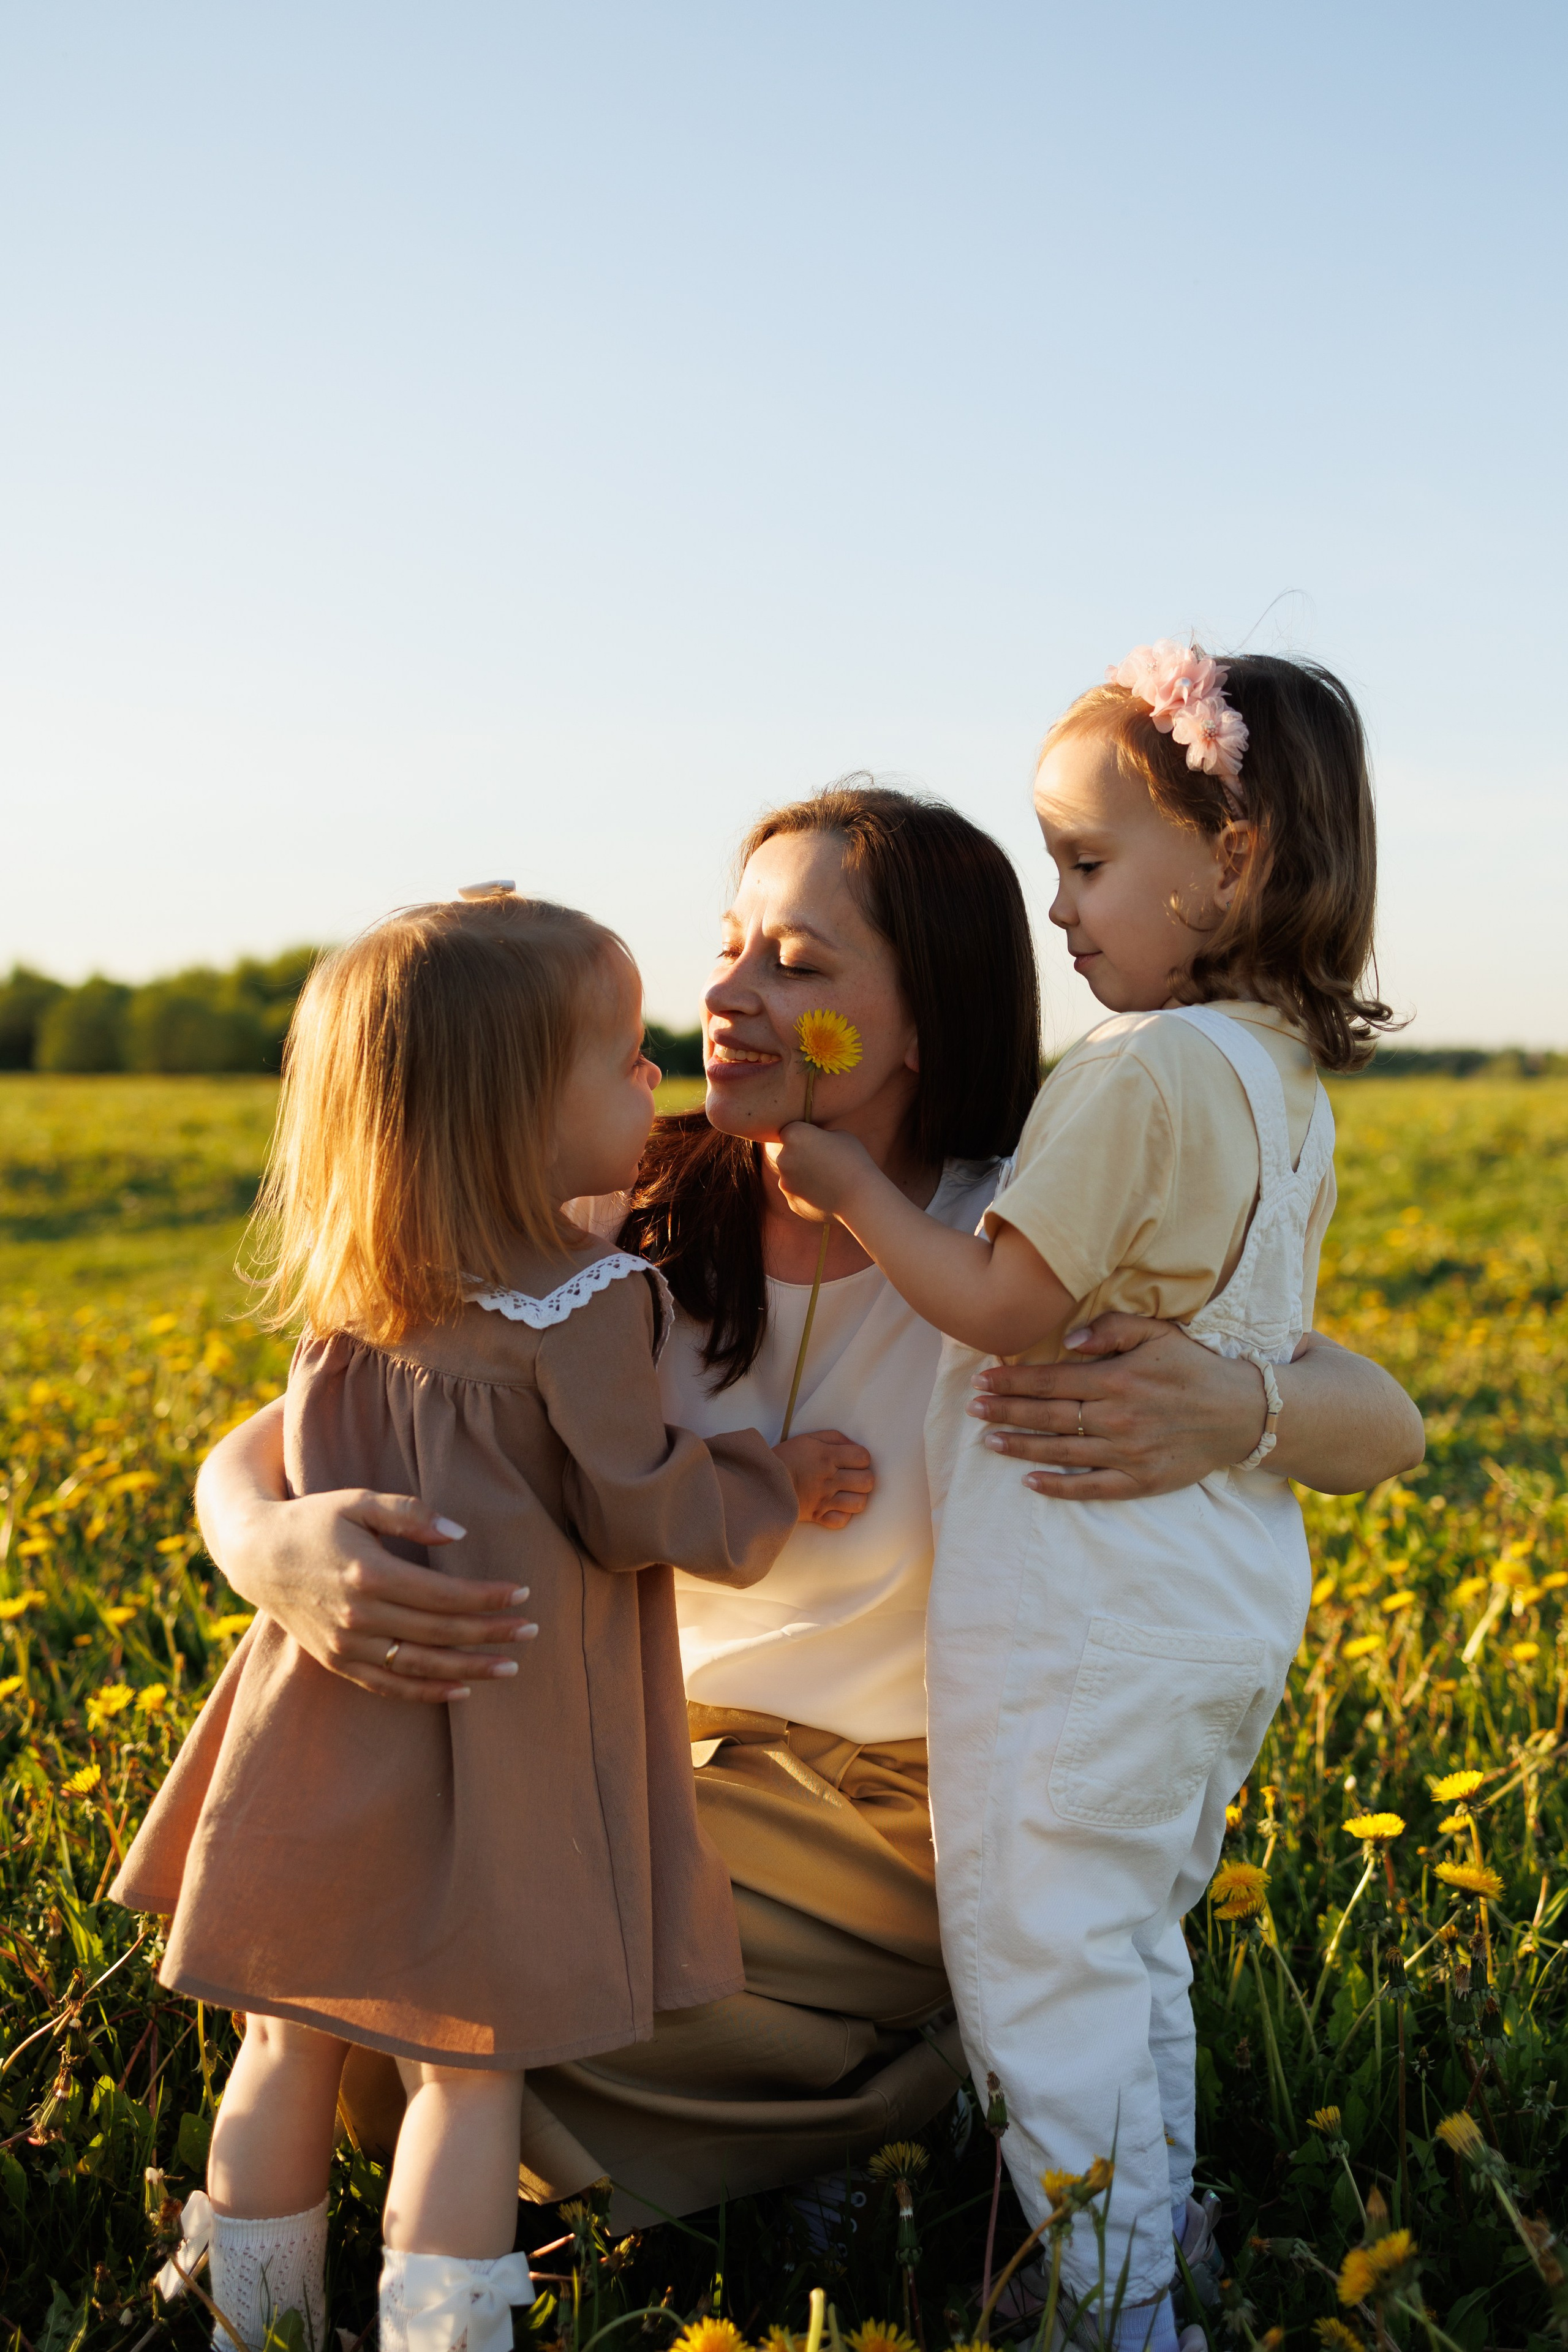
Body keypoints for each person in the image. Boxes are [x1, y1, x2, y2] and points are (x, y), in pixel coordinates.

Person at [192, 781, 1424, 2233]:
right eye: (729, 946)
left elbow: (1385, 1424)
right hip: (623, 1752)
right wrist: (266, 1545)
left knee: (449, 2009)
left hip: (893, 1807)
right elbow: (293, 1426)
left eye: (798, 965)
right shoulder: (611, 1218)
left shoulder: (1013, 1239)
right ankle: (828, 2123)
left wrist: (1239, 1409)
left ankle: (868, 2104)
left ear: (921, 1020)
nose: (724, 996)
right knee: (338, 1968)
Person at [114, 891, 850, 2352]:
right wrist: (772, 1479)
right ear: (516, 1116)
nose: (651, 1073)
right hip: (500, 1750)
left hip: (319, 1736)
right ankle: (441, 2335)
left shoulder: (353, 1297)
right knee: (472, 2068)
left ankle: (250, 2320)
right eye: (613, 1057)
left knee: (285, 2041)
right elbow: (640, 1511)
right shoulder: (588, 1305)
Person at [775, 652, 1398, 2345]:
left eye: (1088, 864)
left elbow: (998, 1306)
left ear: (1238, 858)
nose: (1058, 908)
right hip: (1213, 1589)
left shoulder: (1136, 1072)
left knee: (1043, 1961)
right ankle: (1156, 2244)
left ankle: (1114, 2314)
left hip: (1082, 1601)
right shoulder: (1282, 1085)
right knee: (1123, 1952)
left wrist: (842, 1189)